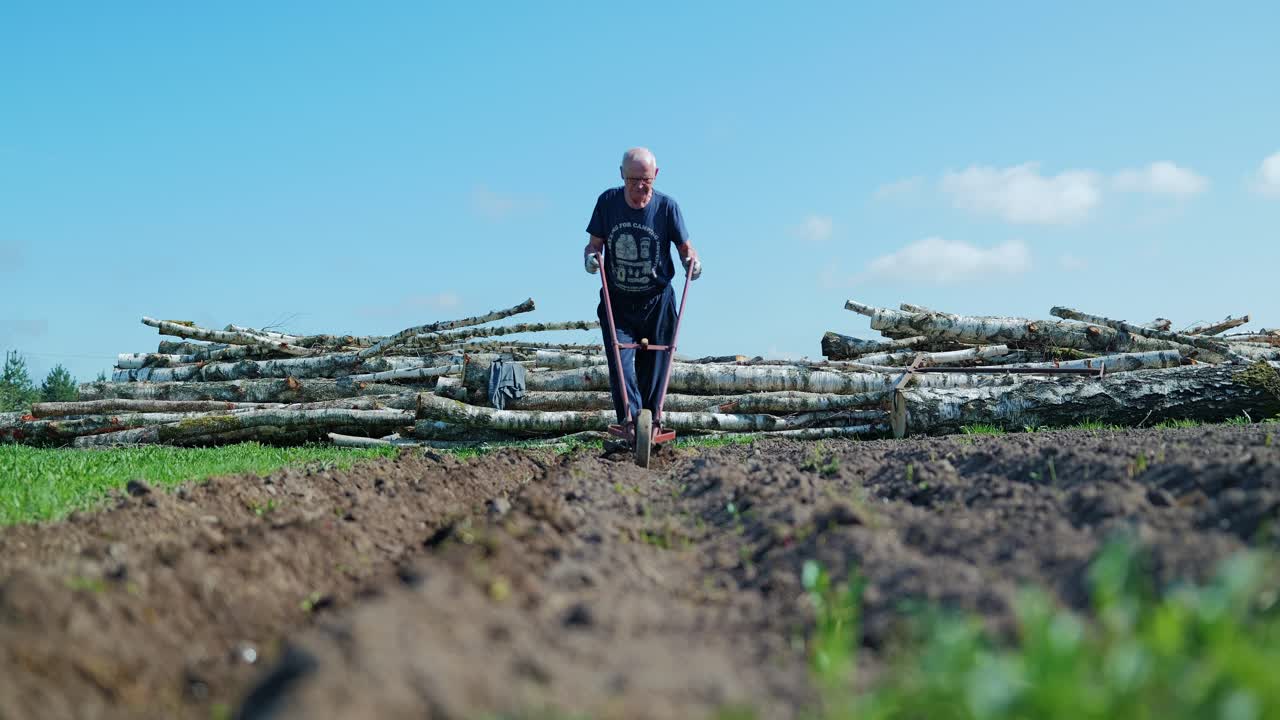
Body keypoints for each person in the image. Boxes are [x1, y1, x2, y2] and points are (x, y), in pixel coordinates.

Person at [583, 147, 701, 433]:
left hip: (657, 300)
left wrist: (692, 264)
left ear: (655, 176)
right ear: (622, 175)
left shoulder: (667, 207)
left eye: (645, 180)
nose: (639, 186)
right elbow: (594, 244)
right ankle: (632, 422)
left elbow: (686, 249)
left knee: (658, 363)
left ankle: (653, 420)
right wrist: (590, 259)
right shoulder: (608, 202)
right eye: (633, 179)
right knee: (620, 362)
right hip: (618, 301)